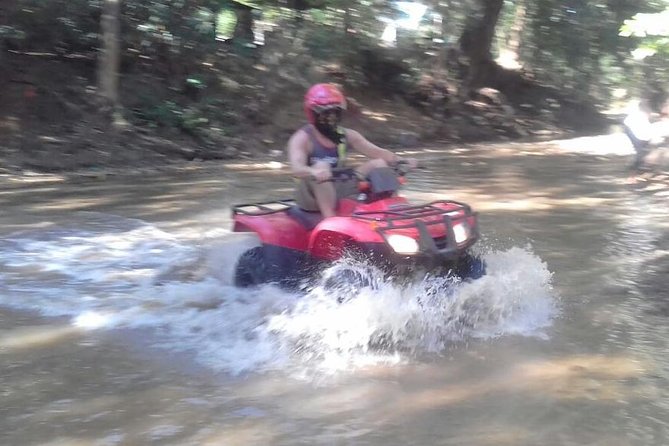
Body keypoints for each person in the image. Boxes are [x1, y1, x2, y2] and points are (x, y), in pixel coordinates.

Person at [287, 83, 417, 217]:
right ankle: (330, 220)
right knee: (322, 165)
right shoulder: (302, 138)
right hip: (310, 196)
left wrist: (402, 161)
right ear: (313, 114)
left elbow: (377, 152)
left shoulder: (347, 135)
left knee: (378, 163)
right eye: (325, 113)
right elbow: (296, 169)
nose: (331, 117)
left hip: (337, 185)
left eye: (335, 112)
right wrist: (314, 171)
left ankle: (391, 211)